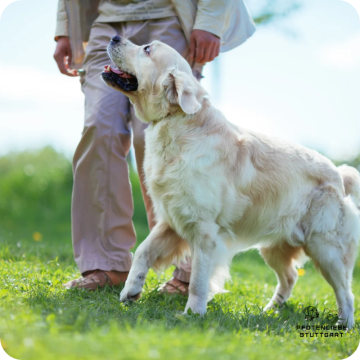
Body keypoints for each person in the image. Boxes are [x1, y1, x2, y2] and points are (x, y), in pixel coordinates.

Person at [53, 0, 256, 293]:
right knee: (100, 128)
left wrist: (210, 21)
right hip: (105, 18)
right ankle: (106, 264)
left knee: (165, 130)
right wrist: (65, 31)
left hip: (171, 15)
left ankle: (189, 272)